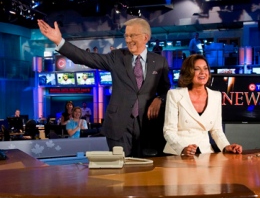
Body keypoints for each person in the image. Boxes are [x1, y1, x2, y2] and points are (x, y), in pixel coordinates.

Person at [37, 18, 171, 157]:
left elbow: (166, 90)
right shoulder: (116, 57)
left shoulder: (159, 61)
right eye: (126, 35)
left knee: (147, 174)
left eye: (132, 35)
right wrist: (60, 41)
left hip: (148, 127)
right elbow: (86, 57)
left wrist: (160, 98)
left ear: (145, 37)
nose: (128, 39)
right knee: (122, 172)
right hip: (119, 127)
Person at [163, 54, 243, 156]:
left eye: (205, 68)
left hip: (205, 153)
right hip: (177, 153)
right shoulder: (174, 95)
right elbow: (169, 131)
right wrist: (182, 148)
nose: (203, 72)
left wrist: (226, 146)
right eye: (197, 69)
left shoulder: (216, 96)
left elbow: (216, 130)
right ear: (189, 72)